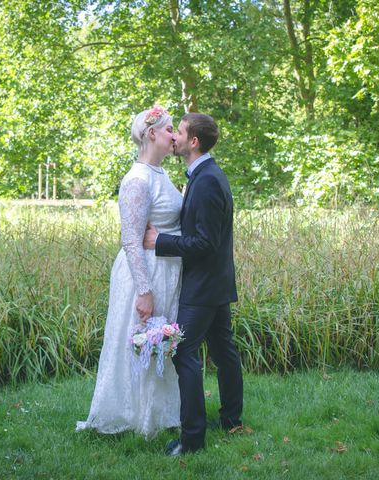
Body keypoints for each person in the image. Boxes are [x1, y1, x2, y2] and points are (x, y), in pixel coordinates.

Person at [76, 105, 183, 438]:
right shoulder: (136, 180)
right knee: (142, 338)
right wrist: (144, 290)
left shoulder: (161, 174)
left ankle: (160, 413)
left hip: (166, 268)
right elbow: (131, 241)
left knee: (160, 341)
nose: (174, 136)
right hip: (145, 272)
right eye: (169, 130)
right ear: (151, 134)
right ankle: (133, 415)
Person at [143, 113, 244, 456]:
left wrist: (161, 241)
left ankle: (192, 439)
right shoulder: (204, 176)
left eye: (180, 132)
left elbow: (204, 243)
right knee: (223, 351)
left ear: (194, 142)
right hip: (214, 283)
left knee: (183, 351)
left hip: (203, 286)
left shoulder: (206, 181)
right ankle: (231, 420)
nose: (175, 138)